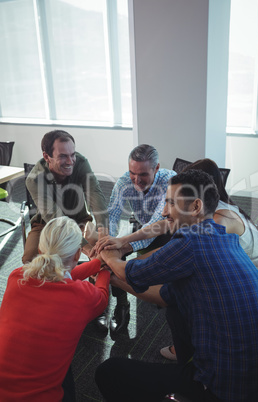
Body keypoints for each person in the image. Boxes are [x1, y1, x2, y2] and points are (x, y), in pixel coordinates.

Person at [95, 170, 258, 402]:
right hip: (254, 379)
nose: (165, 211)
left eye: (170, 203)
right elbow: (165, 296)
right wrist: (114, 279)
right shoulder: (223, 236)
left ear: (195, 207)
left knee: (108, 371)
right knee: (175, 309)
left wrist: (108, 256)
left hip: (224, 385)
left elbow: (131, 271)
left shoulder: (192, 241)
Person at [0, 216, 110, 401]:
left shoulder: (16, 276)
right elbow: (102, 295)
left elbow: (59, 275)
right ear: (77, 255)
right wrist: (105, 267)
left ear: (41, 249)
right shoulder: (83, 297)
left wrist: (97, 263)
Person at [95, 144, 176, 334]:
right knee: (111, 246)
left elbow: (158, 224)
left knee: (118, 248)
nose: (137, 180)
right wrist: (106, 242)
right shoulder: (124, 181)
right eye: (133, 173)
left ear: (156, 168)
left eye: (143, 175)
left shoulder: (170, 181)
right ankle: (122, 305)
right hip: (142, 227)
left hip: (169, 231)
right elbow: (112, 215)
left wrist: (123, 245)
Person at [22, 129, 108, 264]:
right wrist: (85, 248)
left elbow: (95, 193)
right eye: (63, 156)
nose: (70, 161)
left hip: (80, 220)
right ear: (46, 156)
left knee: (104, 249)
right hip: (47, 224)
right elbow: (56, 219)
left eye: (72, 154)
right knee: (30, 260)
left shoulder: (80, 162)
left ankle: (95, 285)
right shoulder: (34, 179)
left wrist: (103, 230)